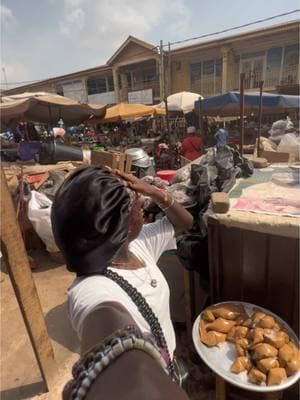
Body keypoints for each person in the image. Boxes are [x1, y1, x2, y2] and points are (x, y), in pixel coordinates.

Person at [51, 166, 193, 399]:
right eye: (137, 203)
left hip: (167, 362)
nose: (144, 206)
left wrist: (155, 192)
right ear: (125, 223)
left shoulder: (138, 244)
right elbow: (104, 320)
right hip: (157, 371)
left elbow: (184, 222)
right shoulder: (91, 288)